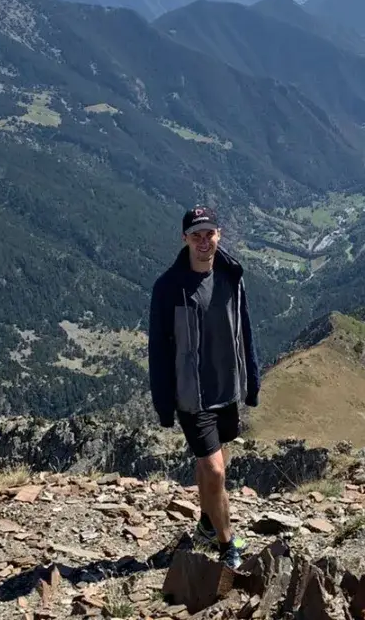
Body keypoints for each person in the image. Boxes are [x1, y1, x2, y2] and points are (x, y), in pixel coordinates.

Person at [148, 205, 260, 570]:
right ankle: (228, 545)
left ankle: (208, 522)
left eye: (208, 233)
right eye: (195, 234)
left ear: (219, 235)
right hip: (190, 395)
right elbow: (159, 349)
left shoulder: (231, 276)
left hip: (225, 388)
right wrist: (164, 403)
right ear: (184, 239)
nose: (202, 241)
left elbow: (245, 330)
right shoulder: (168, 288)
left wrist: (251, 382)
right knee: (215, 470)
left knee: (211, 461)